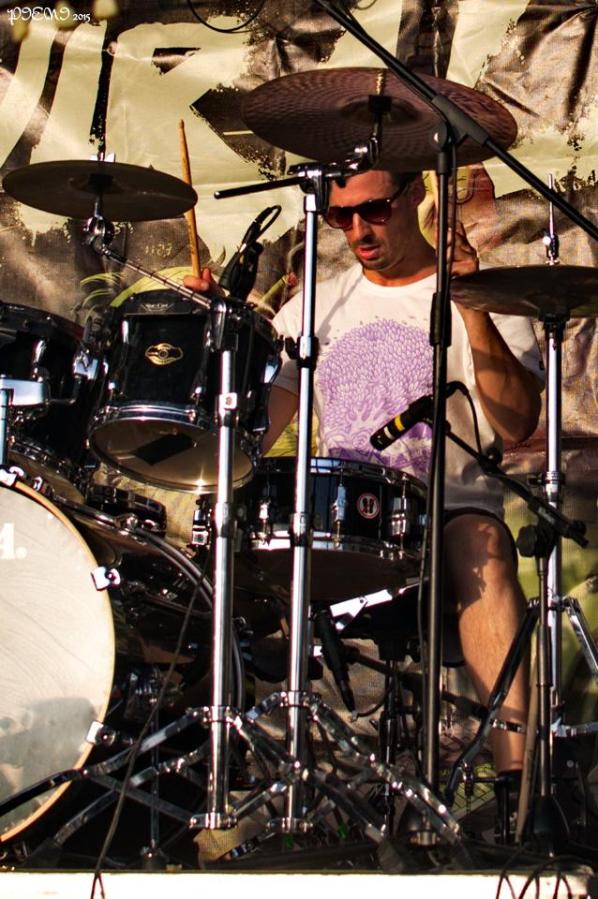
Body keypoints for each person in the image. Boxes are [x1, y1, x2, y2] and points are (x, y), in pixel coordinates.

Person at [186, 168, 543, 785]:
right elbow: (254, 436)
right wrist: (221, 344)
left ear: (415, 195)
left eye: (373, 210)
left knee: (480, 541)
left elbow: (517, 423)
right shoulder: (315, 308)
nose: (357, 230)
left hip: (445, 517)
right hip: (341, 520)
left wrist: (471, 306)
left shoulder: (485, 297)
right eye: (339, 216)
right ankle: (227, 775)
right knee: (217, 540)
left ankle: (519, 791)